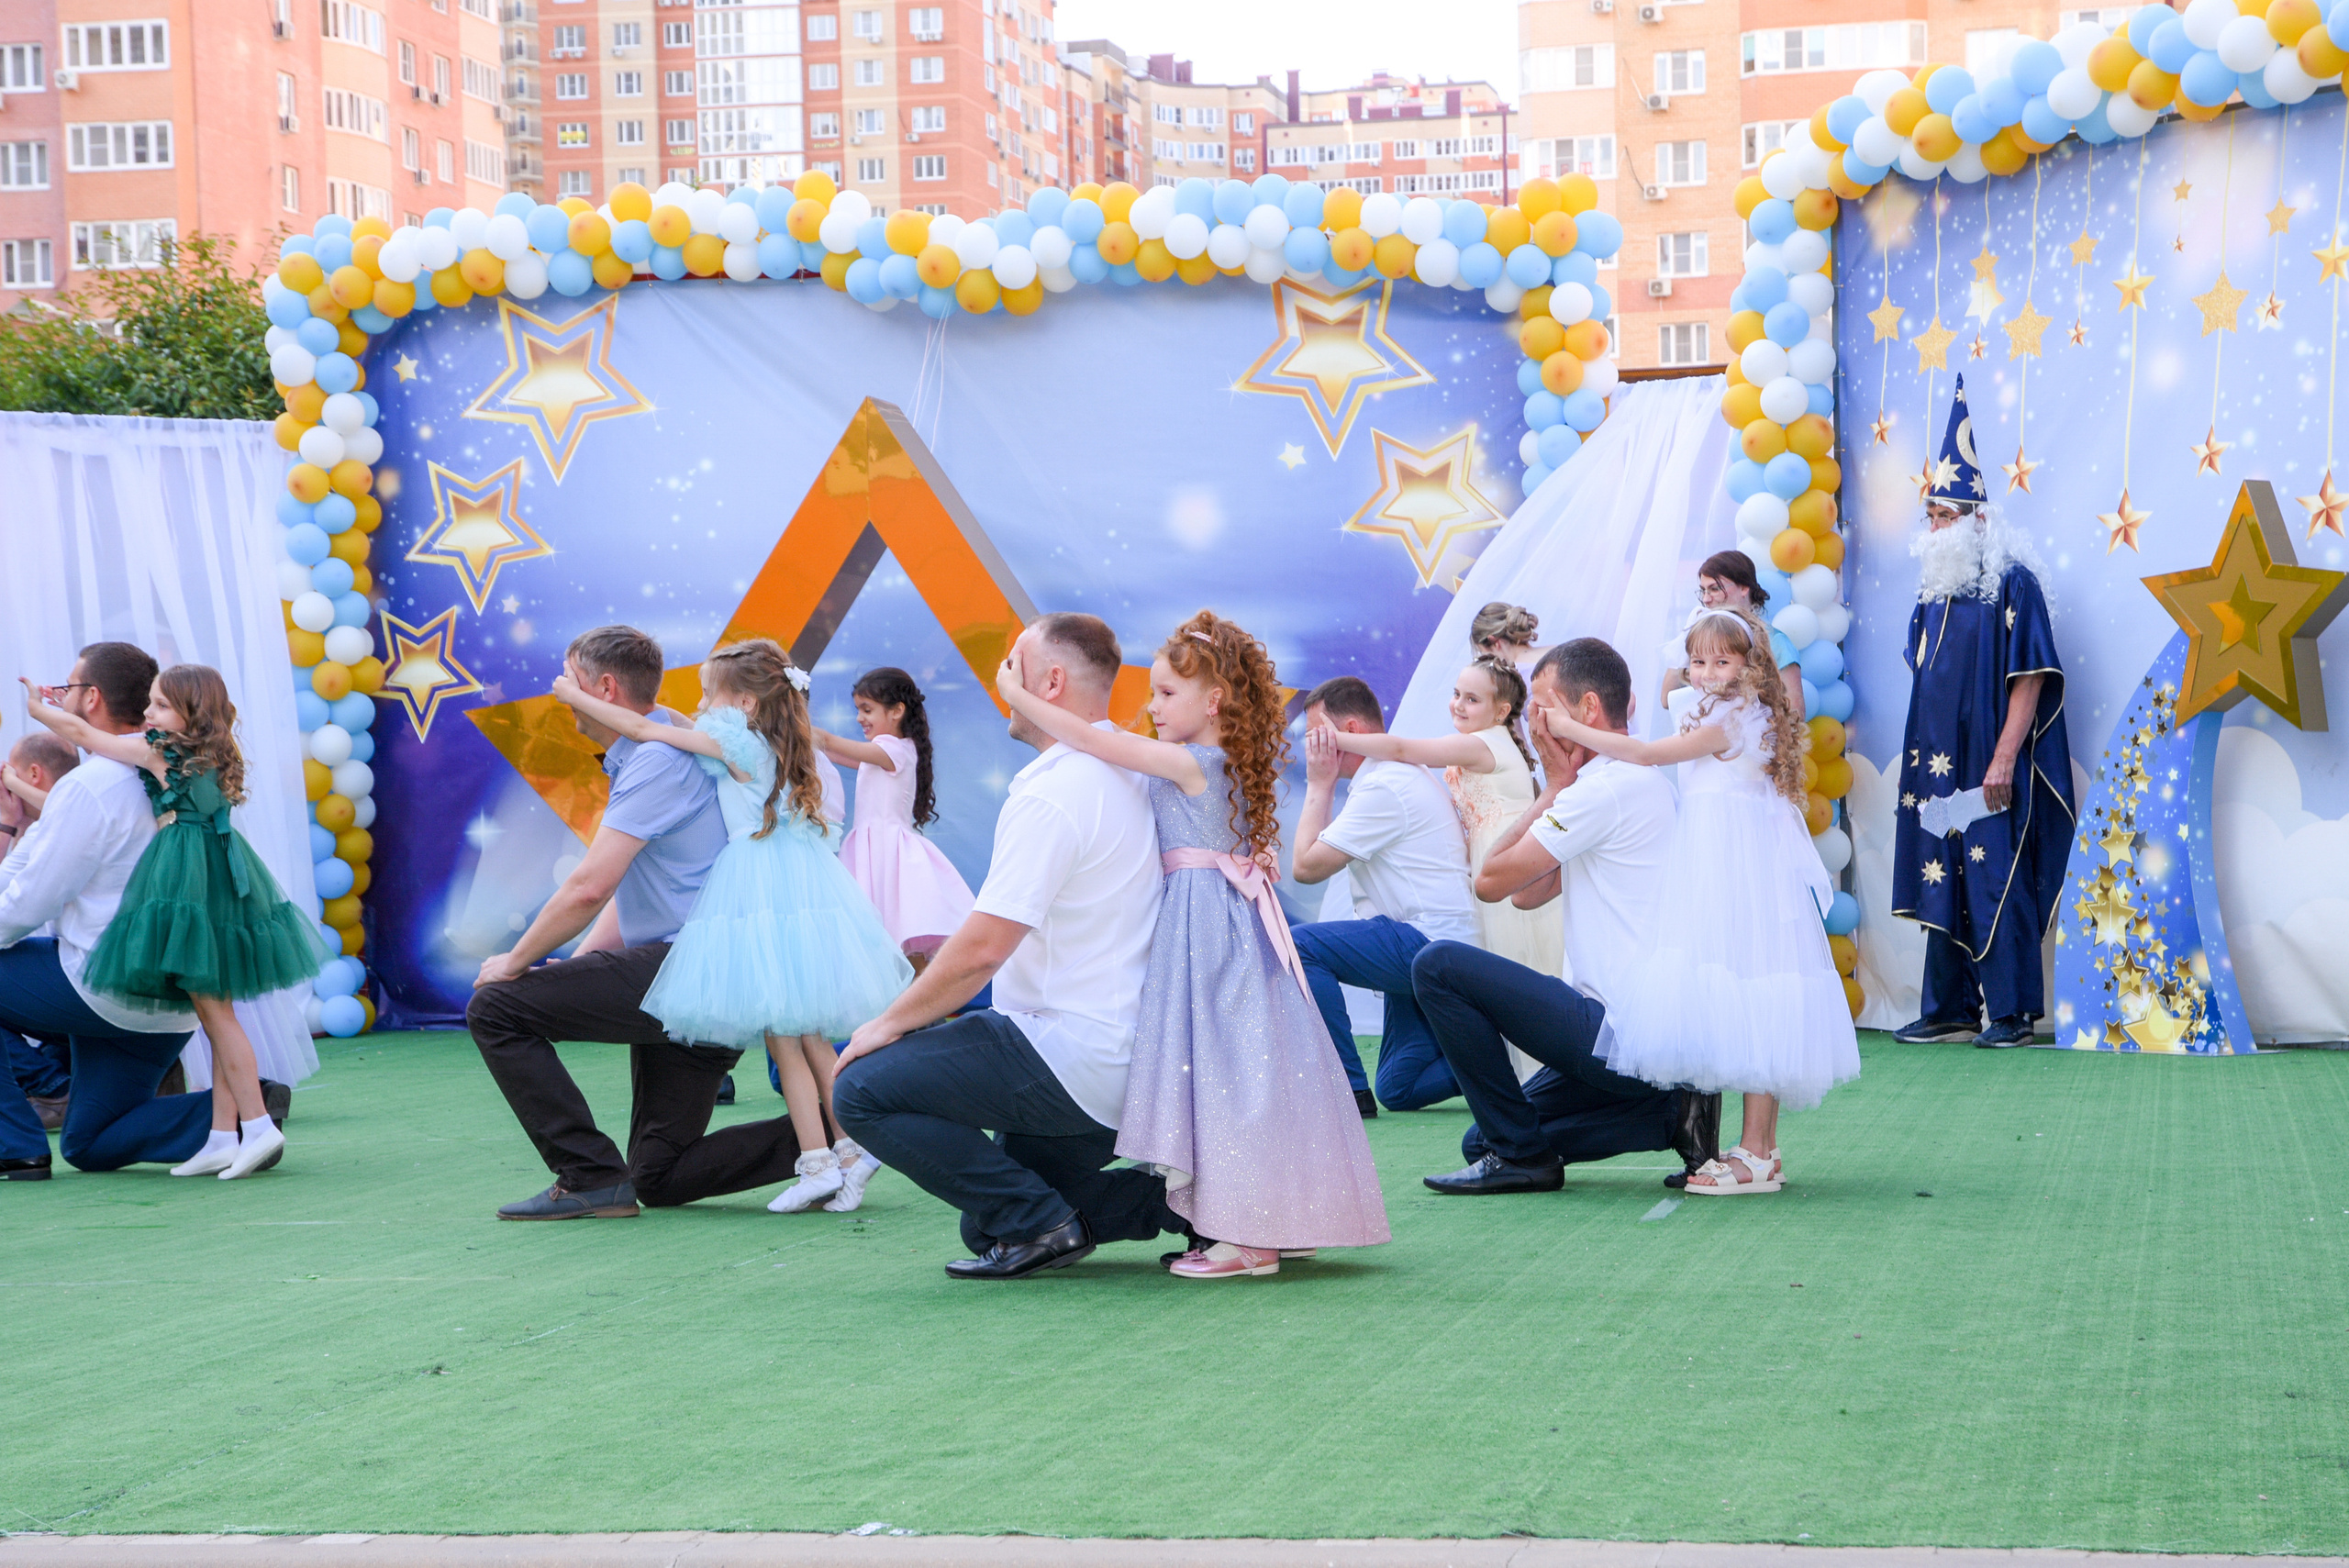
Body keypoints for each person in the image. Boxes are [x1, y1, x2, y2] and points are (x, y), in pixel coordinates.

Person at [994, 610, 1387, 1280]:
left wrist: (1019, 697)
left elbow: (1095, 742)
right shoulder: (1221, 762)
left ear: (1215, 701)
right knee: (1250, 1079)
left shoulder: (1192, 761)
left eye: (1167, 694)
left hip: (1207, 934)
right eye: (1152, 693)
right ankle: (1271, 1223)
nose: (1151, 707)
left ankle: (1247, 1241)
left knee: (1227, 1080)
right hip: (1224, 927)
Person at [834, 613, 1188, 1282]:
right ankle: (1185, 1204)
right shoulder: (1132, 768)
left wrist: (885, 1024)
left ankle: (1046, 1223)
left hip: (1069, 1053)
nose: (1001, 678)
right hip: (1134, 1067)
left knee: (858, 1088)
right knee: (988, 1220)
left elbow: (982, 949)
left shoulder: (1057, 789)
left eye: (1011, 664)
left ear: (1050, 681)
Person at [551, 639, 910, 1216]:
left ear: (743, 702)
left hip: (758, 888)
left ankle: (819, 1161)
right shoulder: (781, 740)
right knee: (807, 1033)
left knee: (783, 1031)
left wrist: (573, 694)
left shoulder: (734, 742)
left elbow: (645, 732)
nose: (696, 706)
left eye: (706, 695)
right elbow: (668, 724)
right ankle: (845, 1150)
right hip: (802, 888)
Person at [469, 625, 811, 1220]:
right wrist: (577, 975)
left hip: (689, 971)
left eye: (568, 681)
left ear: (602, 687)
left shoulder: (657, 758)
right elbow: (633, 891)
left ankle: (588, 1176)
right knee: (660, 1174)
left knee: (495, 1005)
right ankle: (837, 1128)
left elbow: (589, 886)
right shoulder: (673, 740)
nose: (560, 693)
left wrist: (516, 962)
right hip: (699, 979)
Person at [1541, 610, 1860, 1194]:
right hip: (1717, 861)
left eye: (1722, 660)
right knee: (1737, 989)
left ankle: (1758, 1150)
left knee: (1756, 988)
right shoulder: (1712, 706)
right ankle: (1757, 1148)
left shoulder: (1739, 714)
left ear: (1747, 664)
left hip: (1740, 866)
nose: (1708, 672)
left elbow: (1644, 754)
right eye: (1698, 660)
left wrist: (1571, 727)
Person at [1410, 639, 1720, 1195]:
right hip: (1646, 1038)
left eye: (1542, 710)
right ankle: (1670, 1113)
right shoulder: (1640, 780)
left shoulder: (1601, 789)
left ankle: (1530, 1155)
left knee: (1438, 966)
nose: (1534, 725)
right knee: (1482, 1141)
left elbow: (1491, 882)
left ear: (1588, 710)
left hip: (1618, 1031)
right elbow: (1528, 896)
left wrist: (1555, 786)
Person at [21, 667, 321, 1180]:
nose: (147, 716)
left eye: (159, 706)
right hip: (224, 876)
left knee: (217, 1014)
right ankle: (224, 1135)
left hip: (189, 880)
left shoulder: (162, 751)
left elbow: (83, 734)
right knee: (215, 1012)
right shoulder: (213, 752)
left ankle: (257, 1124)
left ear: (189, 714)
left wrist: (37, 709)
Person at [1890, 377, 2073, 1050]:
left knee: (1996, 875)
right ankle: (1950, 1006)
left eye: (1946, 515)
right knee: (1943, 875)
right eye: (1931, 516)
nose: (1935, 528)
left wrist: (2003, 755)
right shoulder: (1933, 591)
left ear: (1978, 518)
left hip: (1991, 764)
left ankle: (2014, 1011)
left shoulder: (2012, 582)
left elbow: (2029, 677)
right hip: (1937, 766)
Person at [1322, 656, 1559, 1082]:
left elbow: (1400, 749)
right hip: (1490, 863)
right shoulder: (1487, 741)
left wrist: (1336, 739)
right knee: (1507, 974)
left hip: (1503, 863)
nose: (1458, 706)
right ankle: (1517, 1073)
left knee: (1516, 966)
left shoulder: (1482, 743)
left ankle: (1539, 1075)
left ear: (1501, 711)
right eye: (1456, 695)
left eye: (1472, 699)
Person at [1290, 676, 1483, 1115]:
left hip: (1428, 939)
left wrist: (1319, 785)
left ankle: (1347, 1090)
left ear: (1352, 732)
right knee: (1400, 1087)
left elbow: (1305, 868)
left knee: (1298, 947)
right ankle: (1500, 1061)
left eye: (1319, 734)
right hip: (1428, 939)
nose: (1311, 748)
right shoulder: (1389, 776)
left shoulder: (1384, 786)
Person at [817, 667, 974, 970]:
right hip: (874, 850)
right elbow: (838, 754)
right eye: (858, 710)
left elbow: (832, 744)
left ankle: (916, 1005)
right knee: (894, 930)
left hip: (885, 852)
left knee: (898, 929)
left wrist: (799, 729)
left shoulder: (892, 749)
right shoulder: (889, 751)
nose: (860, 718)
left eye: (867, 709)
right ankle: (911, 1004)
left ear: (897, 711)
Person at [2, 733, 79, 1130]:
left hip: (91, 980)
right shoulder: (39, 828)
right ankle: (53, 1082)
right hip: (90, 976)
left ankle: (50, 1087)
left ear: (32, 774)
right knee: (93, 1139)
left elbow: (21, 907)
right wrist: (9, 825)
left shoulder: (62, 823)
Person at [1661, 550, 1806, 717]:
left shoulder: (1776, 642)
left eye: (1714, 589)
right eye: (1703, 591)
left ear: (1744, 588)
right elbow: (1666, 699)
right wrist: (1685, 639)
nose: (1706, 599)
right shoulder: (1703, 637)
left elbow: (1796, 714)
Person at [1470, 601, 1545, 675]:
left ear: (1494, 642)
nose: (1489, 662)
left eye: (1484, 654)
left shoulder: (1514, 679)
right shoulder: (1554, 652)